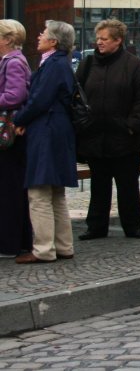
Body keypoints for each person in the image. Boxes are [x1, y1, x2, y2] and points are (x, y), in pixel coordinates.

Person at [76, 19, 140, 240]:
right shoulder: (88, 63)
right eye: (98, 38)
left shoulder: (133, 65)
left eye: (104, 39)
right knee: (99, 185)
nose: (99, 43)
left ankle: (132, 226)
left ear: (118, 40)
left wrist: (131, 126)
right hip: (95, 137)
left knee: (128, 185)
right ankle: (96, 226)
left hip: (125, 139)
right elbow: (76, 94)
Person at [12, 20, 78, 263]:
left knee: (39, 193)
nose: (39, 36)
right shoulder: (60, 63)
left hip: (47, 131)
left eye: (44, 33)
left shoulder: (54, 64)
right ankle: (63, 246)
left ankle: (43, 250)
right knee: (55, 192)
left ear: (54, 41)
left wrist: (19, 119)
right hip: (56, 130)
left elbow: (40, 99)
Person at [0, 20, 32, 258]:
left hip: (10, 137)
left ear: (8, 39)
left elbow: (15, 95)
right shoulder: (11, 61)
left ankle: (10, 244)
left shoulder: (13, 62)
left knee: (9, 189)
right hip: (10, 135)